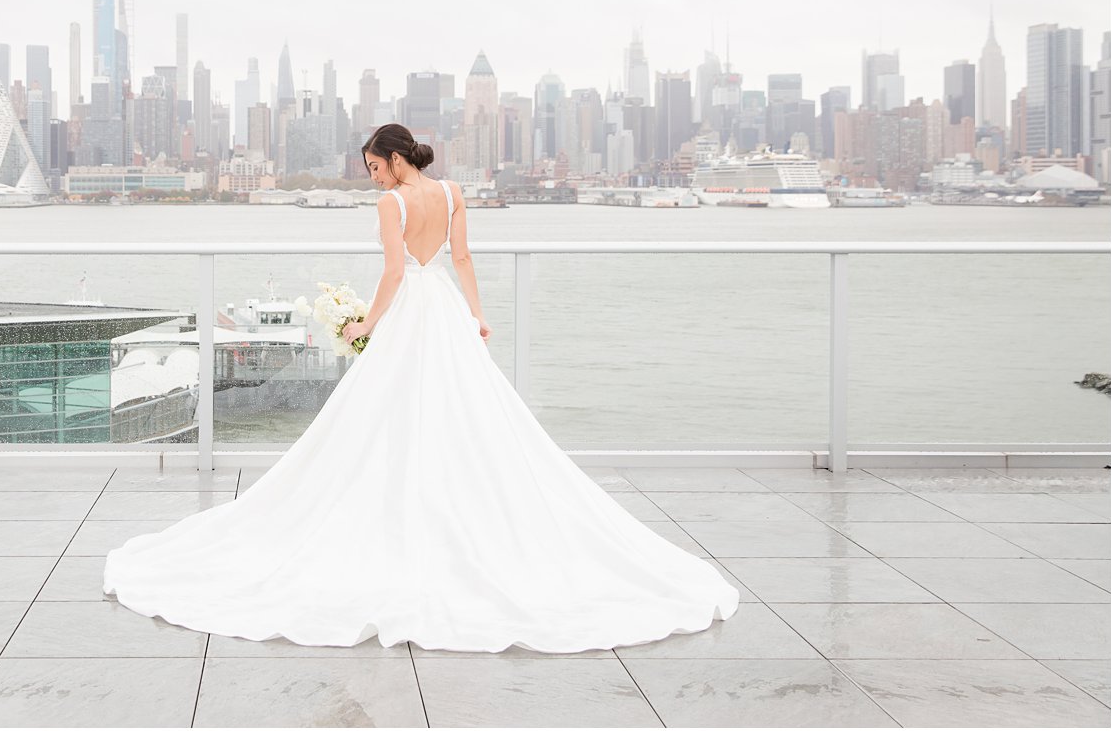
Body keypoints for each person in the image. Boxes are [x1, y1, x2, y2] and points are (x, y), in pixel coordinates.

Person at [101, 123, 739, 652]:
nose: (371, 177)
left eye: (374, 165)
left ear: (395, 159)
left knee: (386, 416)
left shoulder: (392, 204)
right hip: (448, 314)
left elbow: (392, 275)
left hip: (409, 313)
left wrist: (361, 326)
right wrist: (480, 315)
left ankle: (405, 513)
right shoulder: (455, 192)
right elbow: (460, 261)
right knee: (461, 416)